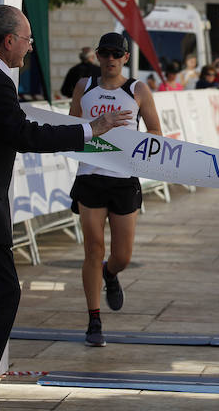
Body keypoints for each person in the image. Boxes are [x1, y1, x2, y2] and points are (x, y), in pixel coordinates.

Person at [0, 5, 131, 411]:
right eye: (26, 39)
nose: (29, 47)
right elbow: (22, 134)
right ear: (9, 41)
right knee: (1, 295)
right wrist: (89, 129)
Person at [69, 33, 162, 346]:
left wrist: (134, 147)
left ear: (125, 58)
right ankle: (93, 320)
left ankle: (111, 273)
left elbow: (155, 132)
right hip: (90, 176)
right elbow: (71, 129)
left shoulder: (136, 89)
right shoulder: (84, 87)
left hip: (123, 180)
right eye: (105, 53)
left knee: (122, 255)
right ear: (97, 56)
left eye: (116, 54)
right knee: (93, 249)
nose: (110, 59)